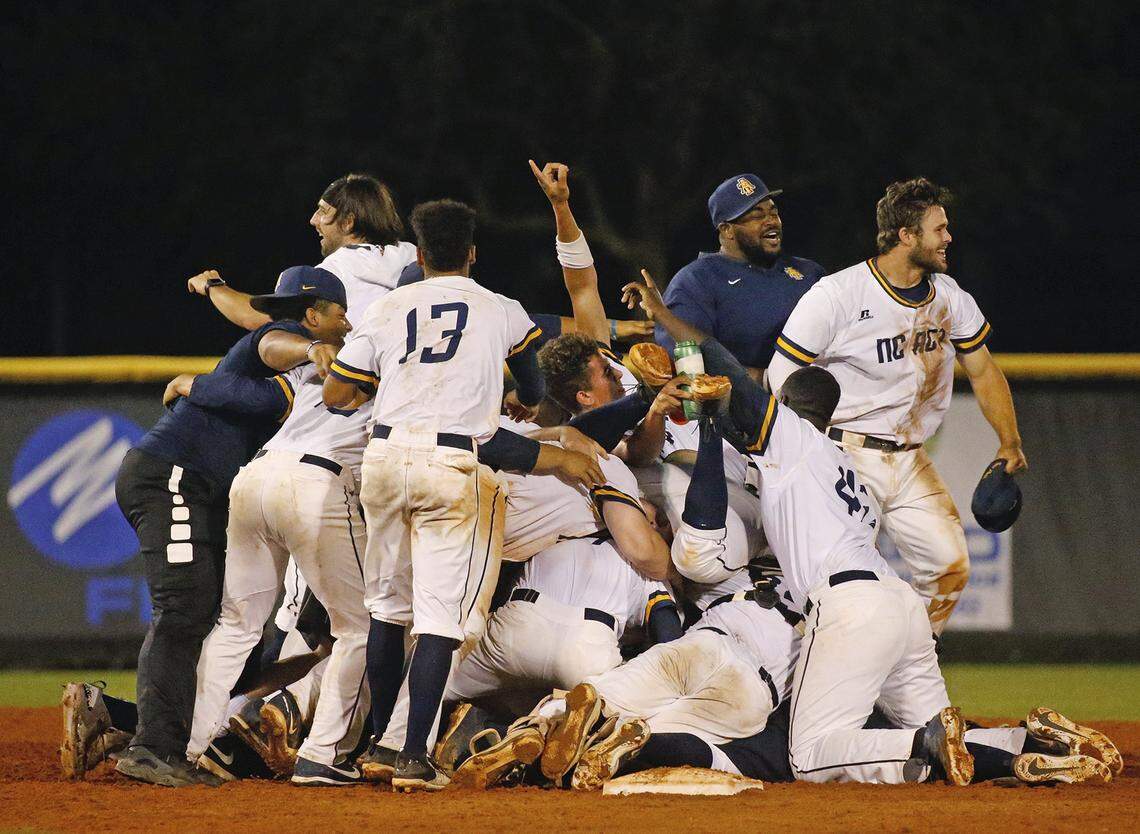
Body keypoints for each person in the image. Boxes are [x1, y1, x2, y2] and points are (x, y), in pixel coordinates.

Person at [628, 272, 972, 786]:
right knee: (949, 737)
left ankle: (923, 743)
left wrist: (667, 320)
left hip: (847, 604)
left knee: (810, 755)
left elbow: (723, 365)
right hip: (900, 604)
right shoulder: (850, 467)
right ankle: (1023, 748)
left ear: (785, 404)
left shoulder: (789, 439)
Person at [322, 198, 602, 791]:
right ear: (472, 254)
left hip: (384, 458)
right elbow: (530, 383)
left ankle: (377, 744)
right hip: (453, 465)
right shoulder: (499, 308)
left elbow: (336, 395)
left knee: (387, 612)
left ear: (419, 255)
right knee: (441, 619)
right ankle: (413, 756)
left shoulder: (388, 306)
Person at [112, 265, 349, 787]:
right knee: (183, 609)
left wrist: (201, 380)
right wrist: (309, 350)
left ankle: (145, 732)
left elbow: (252, 389)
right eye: (339, 312)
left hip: (199, 487)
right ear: (314, 316)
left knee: (214, 614)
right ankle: (153, 747)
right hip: (173, 477)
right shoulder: (285, 344)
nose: (347, 322)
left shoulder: (293, 377)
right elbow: (272, 342)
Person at [767, 178, 1027, 632]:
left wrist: (1010, 440)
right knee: (837, 584)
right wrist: (803, 450)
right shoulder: (839, 294)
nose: (949, 237)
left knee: (949, 568)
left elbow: (984, 371)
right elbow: (781, 373)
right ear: (906, 235)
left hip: (910, 459)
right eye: (938, 229)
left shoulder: (948, 297)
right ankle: (803, 685)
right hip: (843, 454)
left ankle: (912, 674)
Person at [186, 266, 379, 787]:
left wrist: (213, 288)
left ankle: (197, 743)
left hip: (257, 478)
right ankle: (322, 756)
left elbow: (259, 325)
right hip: (314, 484)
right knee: (359, 628)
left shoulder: (301, 343)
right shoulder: (371, 345)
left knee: (236, 623)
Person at [186, 173, 416, 329]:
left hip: (354, 393)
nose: (313, 220)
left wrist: (213, 287)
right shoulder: (414, 256)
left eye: (323, 211)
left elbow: (260, 318)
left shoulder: (338, 268)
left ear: (348, 222)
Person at [655, 173, 825, 381]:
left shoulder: (809, 272)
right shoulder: (695, 282)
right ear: (727, 230)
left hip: (826, 402)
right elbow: (688, 366)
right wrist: (763, 381)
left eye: (773, 211)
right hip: (745, 408)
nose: (771, 221)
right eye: (757, 215)